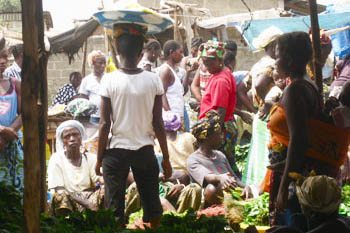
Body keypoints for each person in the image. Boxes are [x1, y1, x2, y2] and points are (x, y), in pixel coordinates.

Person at [267, 31, 350, 228]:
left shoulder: (295, 90)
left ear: (288, 59)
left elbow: (299, 140)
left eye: (277, 56)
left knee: (296, 226)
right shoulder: (307, 84)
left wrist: (284, 186)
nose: (274, 62)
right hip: (302, 171)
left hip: (299, 180)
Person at [96, 23, 172, 229]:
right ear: (141, 52)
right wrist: (165, 158)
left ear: (118, 50)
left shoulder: (109, 80)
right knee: (153, 207)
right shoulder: (153, 79)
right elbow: (158, 123)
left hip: (116, 152)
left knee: (114, 210)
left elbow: (104, 124)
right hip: (144, 150)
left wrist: (98, 159)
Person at [188, 110, 249, 207]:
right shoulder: (193, 159)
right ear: (207, 138)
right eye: (219, 134)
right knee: (212, 189)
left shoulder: (220, 155)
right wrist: (221, 177)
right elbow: (207, 176)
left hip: (232, 195)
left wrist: (247, 187)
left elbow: (235, 179)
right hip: (210, 199)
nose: (222, 137)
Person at [197, 40, 239, 176]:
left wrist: (212, 136)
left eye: (210, 62)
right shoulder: (223, 73)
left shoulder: (220, 80)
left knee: (222, 166)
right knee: (227, 163)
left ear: (220, 60)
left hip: (220, 129)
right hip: (223, 127)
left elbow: (220, 112)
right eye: (204, 62)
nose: (206, 65)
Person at [47, 120, 104, 215]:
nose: (72, 139)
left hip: (89, 197)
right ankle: (67, 224)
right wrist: (86, 203)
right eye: (67, 136)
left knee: (107, 190)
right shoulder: (56, 159)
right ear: (63, 141)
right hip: (70, 199)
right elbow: (59, 189)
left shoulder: (90, 158)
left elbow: (99, 178)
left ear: (81, 138)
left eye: (75, 134)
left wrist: (106, 183)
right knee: (60, 195)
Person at [0, 50, 23, 193]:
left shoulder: (16, 84)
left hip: (12, 141)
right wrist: (2, 130)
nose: (2, 62)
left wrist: (11, 131)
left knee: (16, 188)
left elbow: (24, 113)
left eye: (3, 58)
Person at [159, 40, 185, 120]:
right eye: (180, 52)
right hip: (172, 118)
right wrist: (171, 116)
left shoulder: (174, 70)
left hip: (177, 115)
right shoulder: (166, 71)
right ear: (171, 52)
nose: (182, 56)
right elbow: (161, 95)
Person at [79, 50, 106, 125]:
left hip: (108, 116)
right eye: (100, 63)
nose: (103, 65)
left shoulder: (109, 78)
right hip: (94, 118)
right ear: (92, 64)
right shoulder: (86, 80)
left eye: (104, 63)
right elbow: (83, 100)